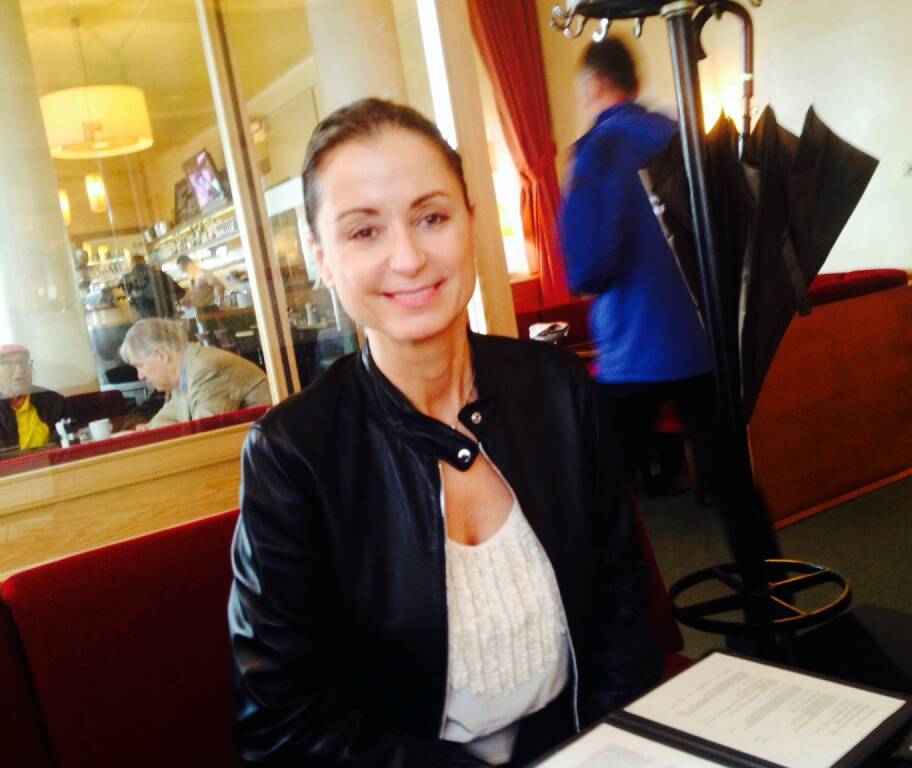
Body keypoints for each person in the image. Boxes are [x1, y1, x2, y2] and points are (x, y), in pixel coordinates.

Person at [227, 98, 661, 767]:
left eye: (431, 217)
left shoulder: (558, 386)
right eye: (364, 232)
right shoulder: (292, 456)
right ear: (322, 259)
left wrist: (607, 748)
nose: (408, 258)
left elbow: (623, 604)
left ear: (470, 223)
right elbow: (284, 728)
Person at [559, 37, 716, 496]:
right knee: (731, 481)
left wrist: (583, 277)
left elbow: (590, 262)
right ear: (636, 80)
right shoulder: (681, 135)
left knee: (602, 488)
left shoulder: (600, 149)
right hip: (700, 336)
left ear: (594, 83)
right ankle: (758, 547)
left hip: (633, 342)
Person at [119, 319, 270, 428]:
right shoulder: (184, 373)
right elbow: (166, 419)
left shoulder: (206, 370)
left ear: (161, 356)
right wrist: (146, 431)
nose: (140, 376)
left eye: (140, 366)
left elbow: (206, 433)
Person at [0, 344, 70, 451]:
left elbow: (68, 445)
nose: (20, 370)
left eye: (24, 363)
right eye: (9, 364)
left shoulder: (55, 403)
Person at [121, 253, 185, 319]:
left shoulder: (126, 279)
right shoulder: (159, 274)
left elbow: (130, 299)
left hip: (145, 316)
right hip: (166, 313)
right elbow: (179, 292)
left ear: (131, 265)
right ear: (144, 262)